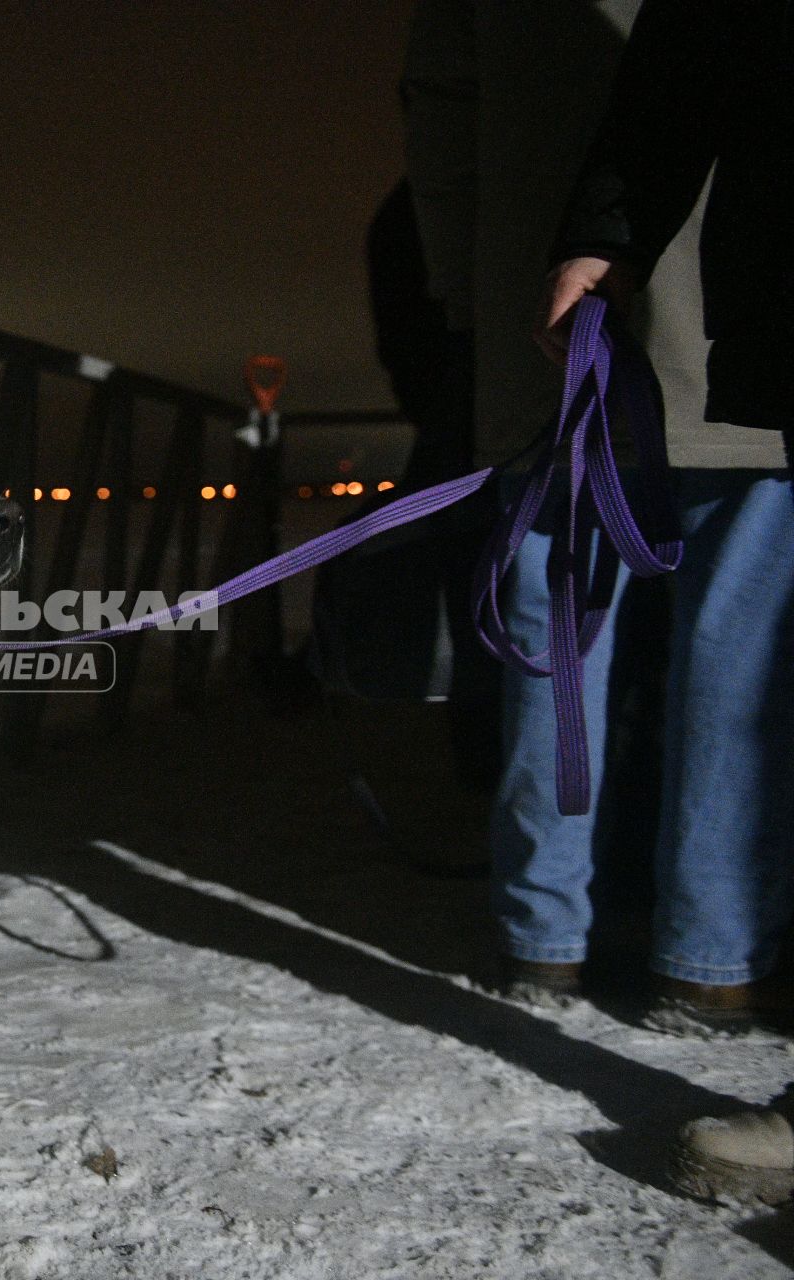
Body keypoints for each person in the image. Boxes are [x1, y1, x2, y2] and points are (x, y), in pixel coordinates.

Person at [403, 0, 793, 1030]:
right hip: (735, 307)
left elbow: (441, 108)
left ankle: (545, 942)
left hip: (544, 310)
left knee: (553, 641)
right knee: (737, 657)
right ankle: (709, 959)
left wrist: (463, 288)